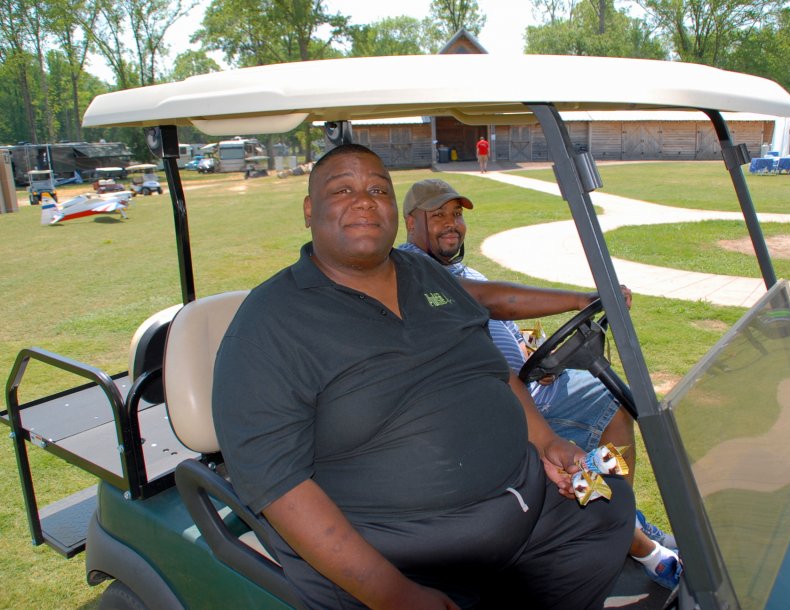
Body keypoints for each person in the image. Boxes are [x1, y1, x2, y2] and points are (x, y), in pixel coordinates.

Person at [212, 144, 638, 608]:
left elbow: (492, 370)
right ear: (309, 210)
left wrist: (546, 440)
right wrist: (394, 595)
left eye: (378, 190)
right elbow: (278, 485)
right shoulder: (269, 323)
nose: (364, 200)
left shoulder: (423, 273)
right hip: (401, 552)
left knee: (607, 506)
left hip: (520, 505)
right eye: (342, 190)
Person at [399, 178, 681, 588]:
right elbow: (494, 300)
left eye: (456, 214)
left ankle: (625, 516)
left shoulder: (462, 269)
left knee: (611, 398)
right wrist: (583, 298)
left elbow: (510, 330)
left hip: (528, 387)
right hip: (487, 410)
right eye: (438, 215)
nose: (451, 224)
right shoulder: (410, 268)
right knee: (566, 461)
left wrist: (535, 357)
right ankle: (640, 546)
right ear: (411, 222)